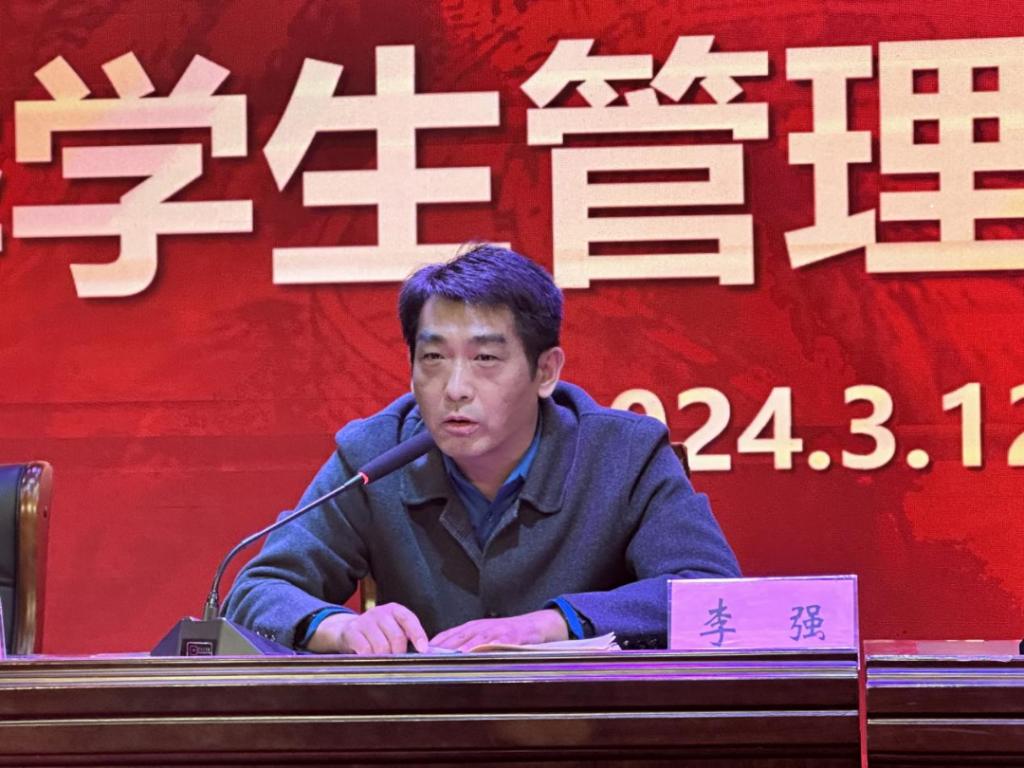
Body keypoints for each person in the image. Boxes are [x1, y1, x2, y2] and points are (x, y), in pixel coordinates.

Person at [224, 244, 740, 654]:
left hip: (588, 727)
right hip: (429, 731)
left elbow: (713, 593)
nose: (455, 388)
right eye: (433, 358)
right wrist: (340, 627)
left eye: (485, 359)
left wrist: (552, 624)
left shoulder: (624, 454)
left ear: (546, 371)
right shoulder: (374, 454)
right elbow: (256, 591)